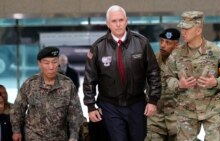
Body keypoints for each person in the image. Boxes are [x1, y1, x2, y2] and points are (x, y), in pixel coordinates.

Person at [83, 5, 161, 141]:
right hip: (110, 105)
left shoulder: (142, 43)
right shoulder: (98, 47)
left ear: (126, 20)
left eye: (121, 20)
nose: (118, 24)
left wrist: (153, 100)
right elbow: (89, 78)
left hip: (136, 104)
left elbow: (153, 72)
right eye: (114, 21)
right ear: (108, 23)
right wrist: (91, 106)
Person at [165, 11, 220, 141]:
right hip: (186, 110)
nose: (183, 32)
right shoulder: (175, 54)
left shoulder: (217, 51)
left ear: (198, 30)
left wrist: (216, 82)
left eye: (187, 28)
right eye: (182, 28)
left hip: (212, 109)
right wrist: (179, 84)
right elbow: (167, 78)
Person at [10, 47, 83, 141]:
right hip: (34, 136)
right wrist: (16, 131)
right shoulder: (30, 83)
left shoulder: (67, 84)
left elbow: (75, 113)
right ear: (39, 64)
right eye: (46, 63)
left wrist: (73, 136)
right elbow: (18, 108)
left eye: (54, 62)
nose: (51, 67)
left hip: (59, 137)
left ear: (59, 63)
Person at [145, 28, 180, 141]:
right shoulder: (152, 60)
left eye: (168, 42)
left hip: (178, 119)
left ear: (176, 45)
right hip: (155, 119)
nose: (163, 45)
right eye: (161, 41)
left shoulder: (184, 63)